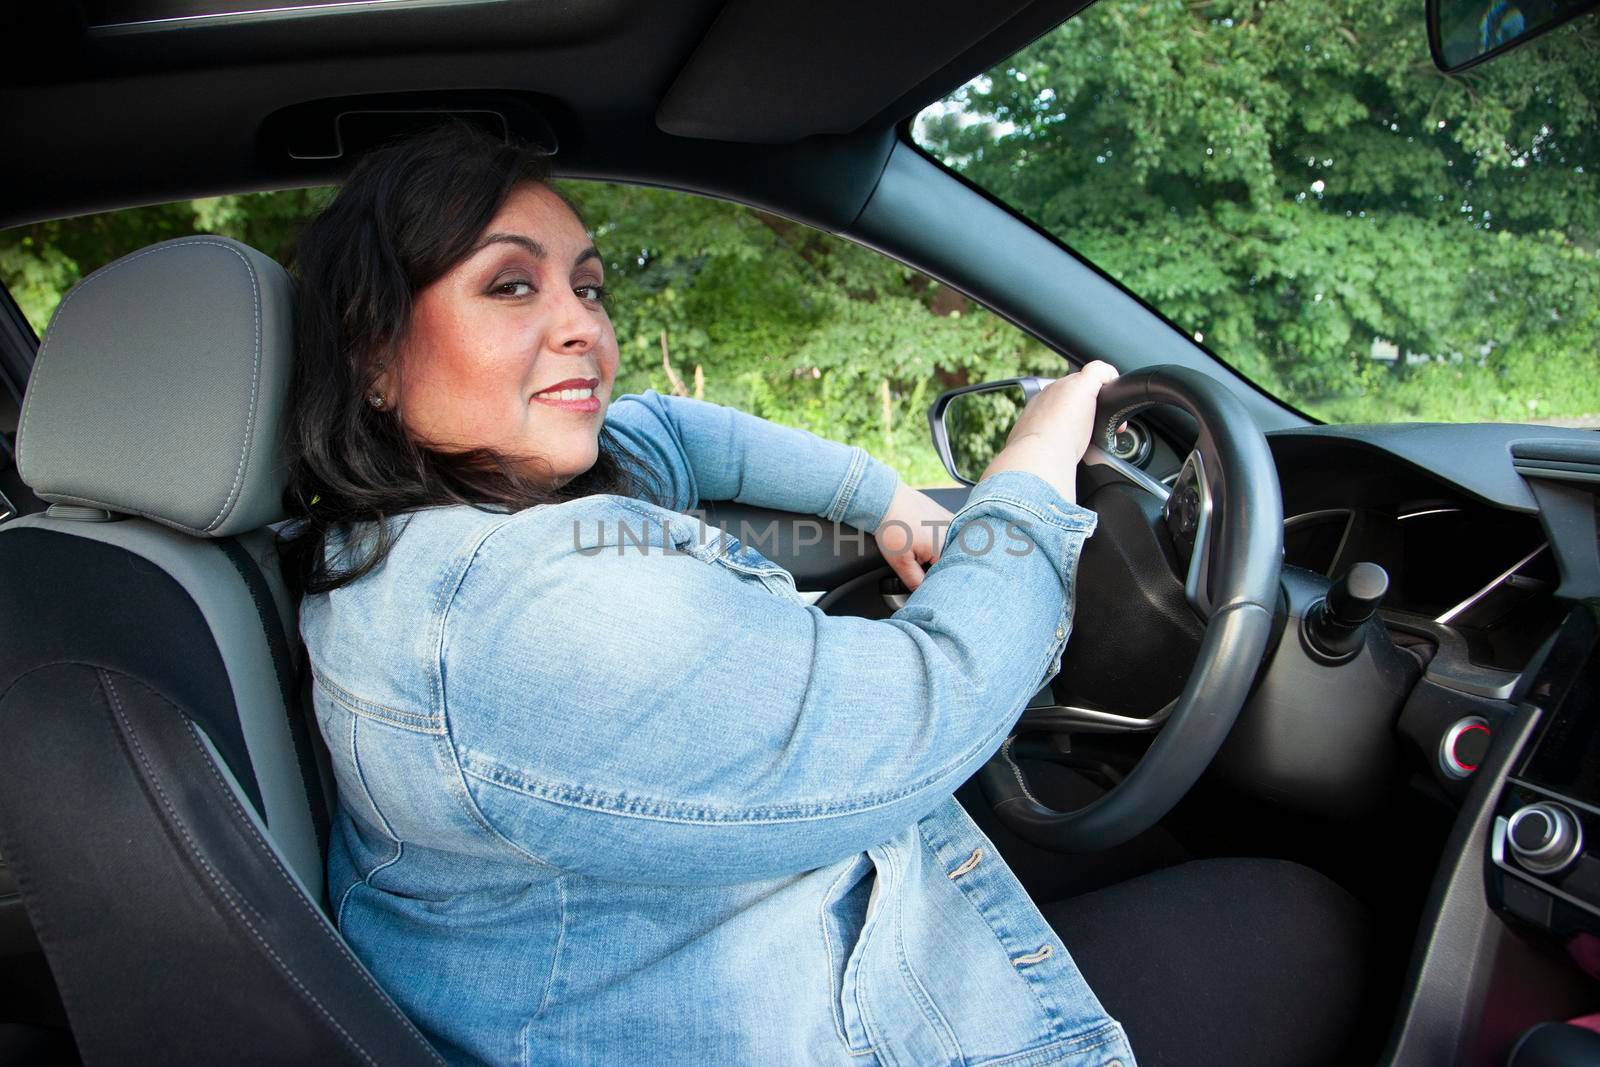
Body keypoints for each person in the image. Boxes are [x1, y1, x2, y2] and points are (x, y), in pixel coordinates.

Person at [276, 123, 1366, 1067]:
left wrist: (889, 495)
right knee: (1306, 923)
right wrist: (1025, 478)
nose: (582, 328)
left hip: (744, 929)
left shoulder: (468, 517)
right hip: (788, 1013)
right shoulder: (509, 611)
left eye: (589, 285)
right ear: (374, 355)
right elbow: (925, 706)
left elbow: (668, 429)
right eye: (511, 284)